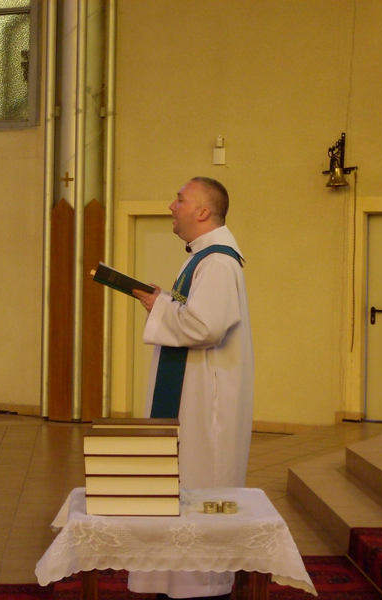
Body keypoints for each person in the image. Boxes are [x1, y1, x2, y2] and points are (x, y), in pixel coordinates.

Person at [128, 176, 254, 599]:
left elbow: (206, 326)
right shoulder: (203, 257)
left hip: (205, 408)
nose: (171, 206)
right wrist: (165, 302)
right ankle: (174, 580)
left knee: (200, 489)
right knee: (181, 487)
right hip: (193, 396)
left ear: (202, 212)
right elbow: (197, 315)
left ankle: (200, 586)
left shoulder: (217, 262)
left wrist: (159, 306)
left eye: (180, 199)